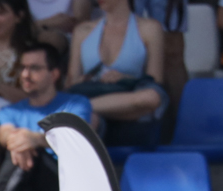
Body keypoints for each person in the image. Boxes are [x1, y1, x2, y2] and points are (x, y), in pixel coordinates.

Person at [0, 45, 91, 191]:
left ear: (54, 74)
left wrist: (36, 140)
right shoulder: (11, 110)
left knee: (32, 151)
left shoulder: (76, 104)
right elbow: (3, 133)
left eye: (34, 68)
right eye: (23, 67)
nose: (25, 74)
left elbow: (75, 138)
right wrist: (19, 139)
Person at [66, 0, 166, 132]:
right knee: (90, 117)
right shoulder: (82, 31)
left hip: (128, 101)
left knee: (151, 96)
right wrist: (85, 79)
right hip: (94, 97)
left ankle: (84, 106)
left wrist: (126, 78)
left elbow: (155, 81)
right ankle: (85, 108)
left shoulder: (149, 28)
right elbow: (70, 83)